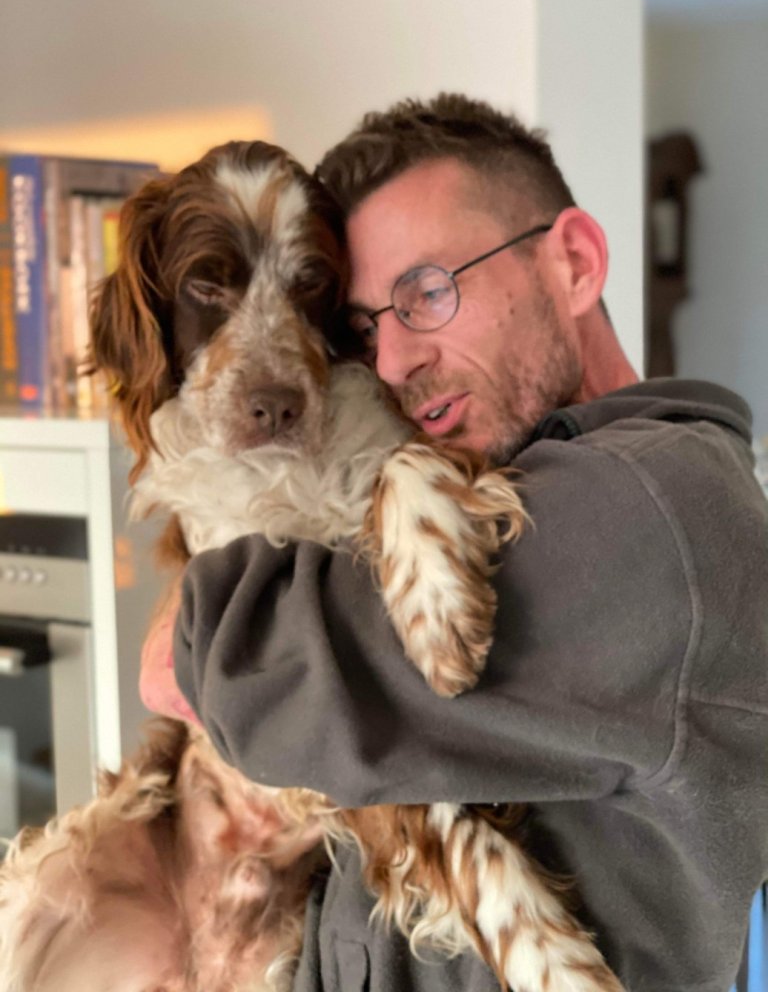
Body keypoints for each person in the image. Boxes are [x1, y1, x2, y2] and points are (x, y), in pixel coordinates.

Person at [142, 94, 768, 991]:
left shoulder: (659, 508)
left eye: (429, 292)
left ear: (578, 264)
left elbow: (233, 673)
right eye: (363, 327)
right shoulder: (504, 480)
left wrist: (204, 615)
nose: (391, 366)